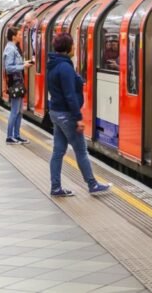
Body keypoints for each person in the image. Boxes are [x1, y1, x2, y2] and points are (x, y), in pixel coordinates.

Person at [48, 32, 111, 197]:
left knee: (58, 151)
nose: (75, 47)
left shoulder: (53, 64)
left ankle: (55, 187)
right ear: (68, 48)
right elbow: (69, 95)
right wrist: (78, 118)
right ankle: (92, 184)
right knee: (81, 150)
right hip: (66, 114)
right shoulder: (65, 68)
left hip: (55, 111)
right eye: (73, 45)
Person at [4, 27, 32, 144]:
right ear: (13, 36)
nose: (21, 36)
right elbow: (8, 68)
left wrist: (24, 63)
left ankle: (17, 135)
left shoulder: (14, 48)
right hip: (15, 83)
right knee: (15, 111)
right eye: (19, 34)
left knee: (19, 111)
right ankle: (9, 137)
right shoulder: (10, 49)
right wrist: (23, 66)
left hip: (18, 82)